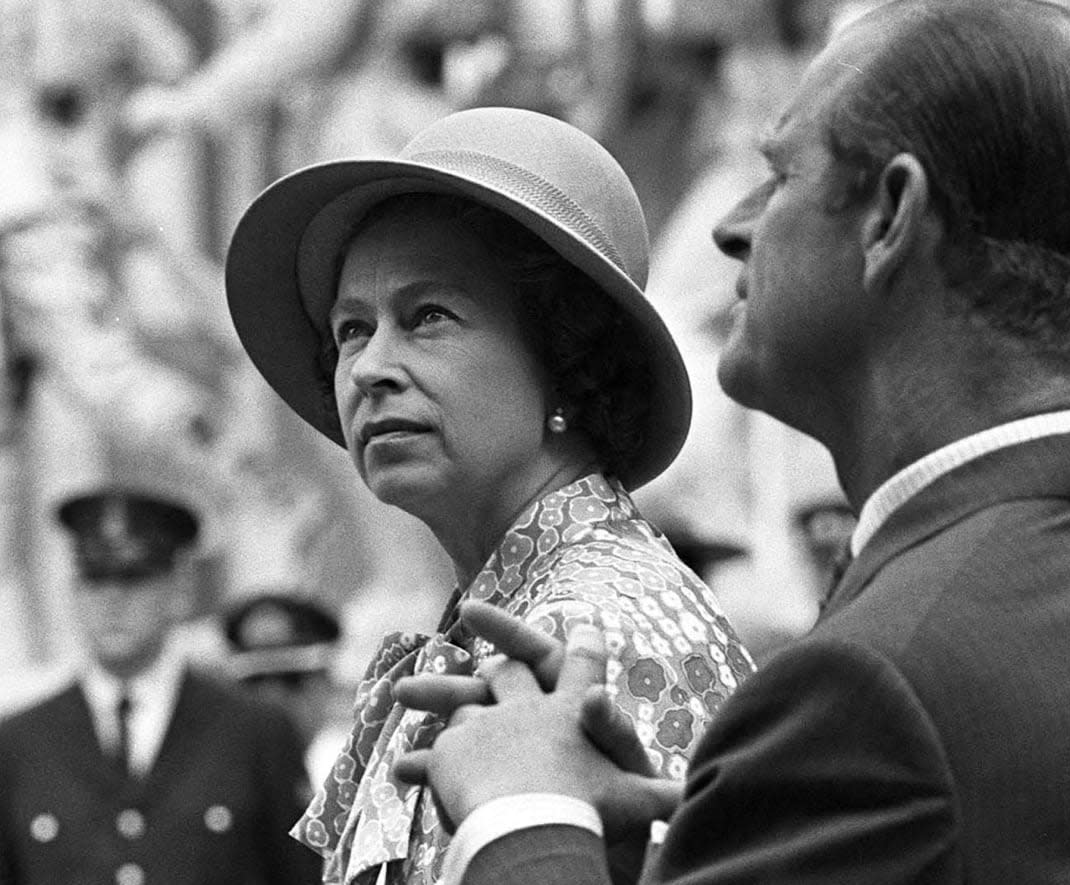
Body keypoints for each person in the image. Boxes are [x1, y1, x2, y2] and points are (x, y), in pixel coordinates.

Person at [386, 1, 1070, 882]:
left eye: (779, 175)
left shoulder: (871, 686)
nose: (733, 225)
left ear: (889, 217)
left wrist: (524, 816)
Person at [223, 106, 754, 884]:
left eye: (428, 316)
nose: (370, 367)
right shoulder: (515, 611)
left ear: (565, 358)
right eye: (350, 330)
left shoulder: (596, 630)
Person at [0, 488, 321, 885]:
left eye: (135, 579)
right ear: (74, 591)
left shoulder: (257, 733)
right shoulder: (18, 744)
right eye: (95, 580)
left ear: (179, 589)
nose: (113, 600)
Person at [222, 591, 345, 781]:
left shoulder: (360, 773)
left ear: (327, 685)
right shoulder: (215, 777)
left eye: (291, 680)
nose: (273, 696)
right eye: (255, 681)